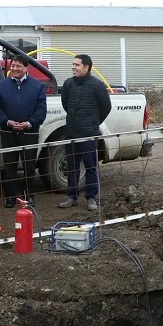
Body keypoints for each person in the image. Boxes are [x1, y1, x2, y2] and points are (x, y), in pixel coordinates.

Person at [0, 54, 47, 208]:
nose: (14, 69)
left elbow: (41, 110)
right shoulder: (2, 85)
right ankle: (10, 197)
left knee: (29, 166)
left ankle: (28, 195)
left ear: (26, 68)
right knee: (9, 166)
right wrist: (6, 121)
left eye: (18, 66)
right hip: (8, 133)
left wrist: (29, 124)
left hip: (29, 133)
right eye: (13, 66)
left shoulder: (37, 86)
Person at [58, 54, 111, 211]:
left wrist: (93, 122)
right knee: (72, 166)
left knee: (90, 166)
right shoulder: (68, 84)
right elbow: (65, 104)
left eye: (77, 65)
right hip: (72, 132)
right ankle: (71, 196)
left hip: (88, 133)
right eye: (73, 64)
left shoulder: (97, 85)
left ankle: (91, 198)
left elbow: (106, 107)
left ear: (86, 68)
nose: (73, 67)